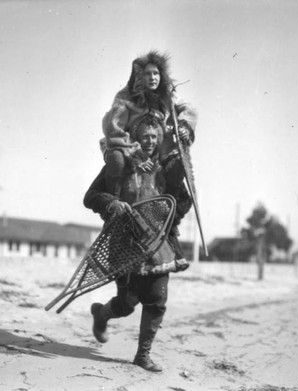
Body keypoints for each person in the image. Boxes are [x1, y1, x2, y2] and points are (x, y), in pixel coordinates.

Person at [84, 115, 191, 372]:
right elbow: (90, 197)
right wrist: (113, 203)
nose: (151, 142)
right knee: (127, 304)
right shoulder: (120, 166)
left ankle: (143, 355)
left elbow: (183, 201)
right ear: (135, 138)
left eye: (155, 137)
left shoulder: (164, 167)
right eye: (145, 136)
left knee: (157, 300)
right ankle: (101, 314)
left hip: (158, 245)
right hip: (126, 244)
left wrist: (166, 218)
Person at [100, 50, 198, 200]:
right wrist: (136, 155)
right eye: (147, 74)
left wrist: (184, 126)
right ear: (140, 76)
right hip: (127, 148)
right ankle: (113, 205)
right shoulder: (125, 97)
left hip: (156, 150)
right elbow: (114, 129)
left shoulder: (168, 96)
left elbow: (189, 109)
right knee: (116, 159)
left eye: (156, 73)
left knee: (178, 169)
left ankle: (166, 206)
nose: (153, 78)